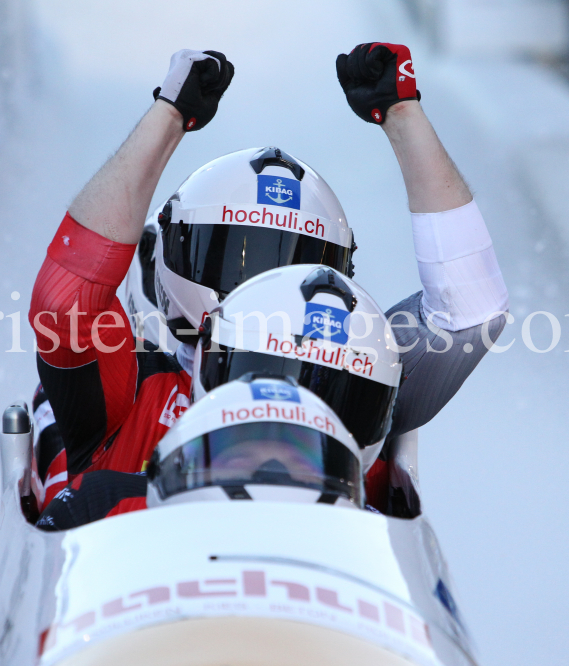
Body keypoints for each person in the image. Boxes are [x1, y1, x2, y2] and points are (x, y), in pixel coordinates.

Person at [29, 42, 509, 519]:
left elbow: (470, 312)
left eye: (291, 261)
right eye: (234, 255)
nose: (259, 284)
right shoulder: (137, 384)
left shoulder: (359, 361)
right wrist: (168, 115)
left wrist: (404, 115)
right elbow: (66, 303)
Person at [37, 376, 363, 530]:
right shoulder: (104, 500)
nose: (272, 475)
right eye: (242, 461)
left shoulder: (369, 532)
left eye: (298, 465)